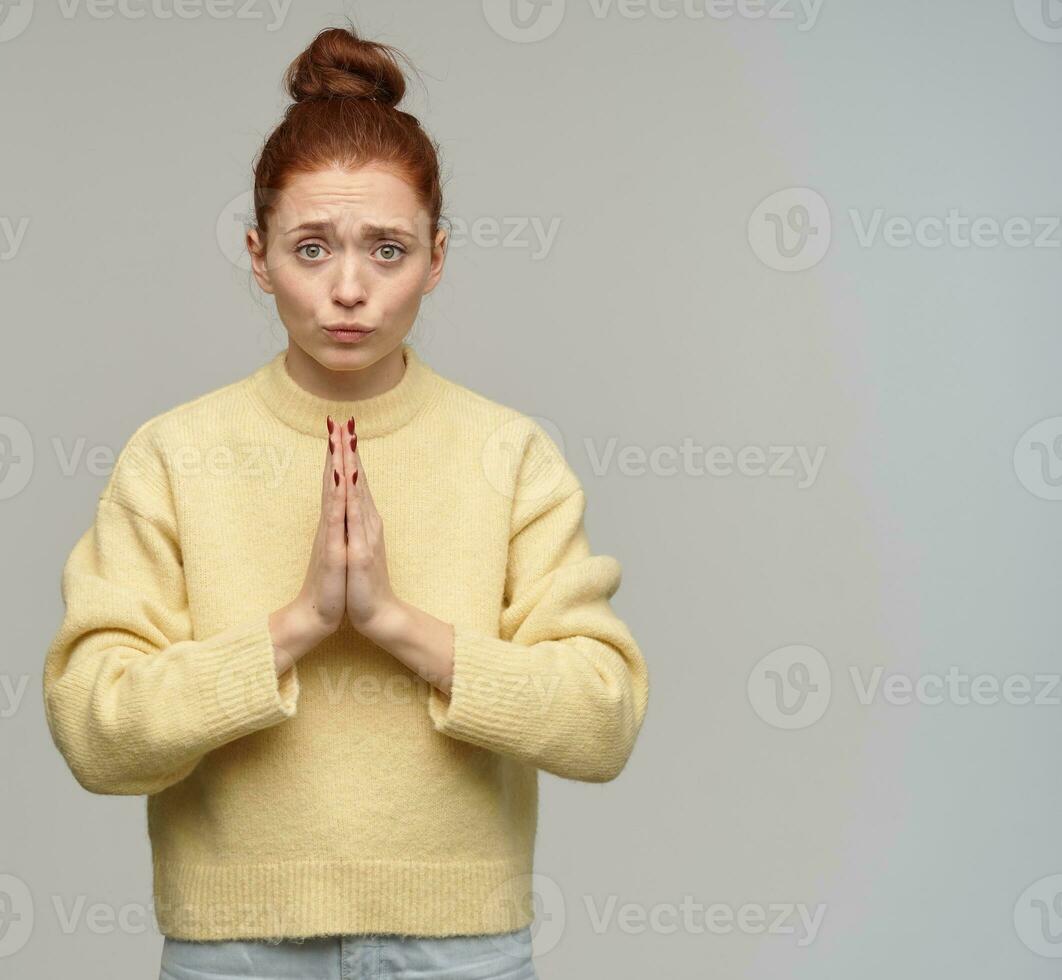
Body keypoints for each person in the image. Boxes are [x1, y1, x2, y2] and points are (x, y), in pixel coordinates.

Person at [41, 23, 650, 980]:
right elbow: (94, 732)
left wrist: (395, 624)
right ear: (257, 253)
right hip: (234, 950)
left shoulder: (509, 453)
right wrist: (297, 626)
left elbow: (602, 720)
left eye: (389, 248)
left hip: (464, 950)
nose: (350, 290)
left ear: (438, 258)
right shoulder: (175, 455)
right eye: (312, 248)